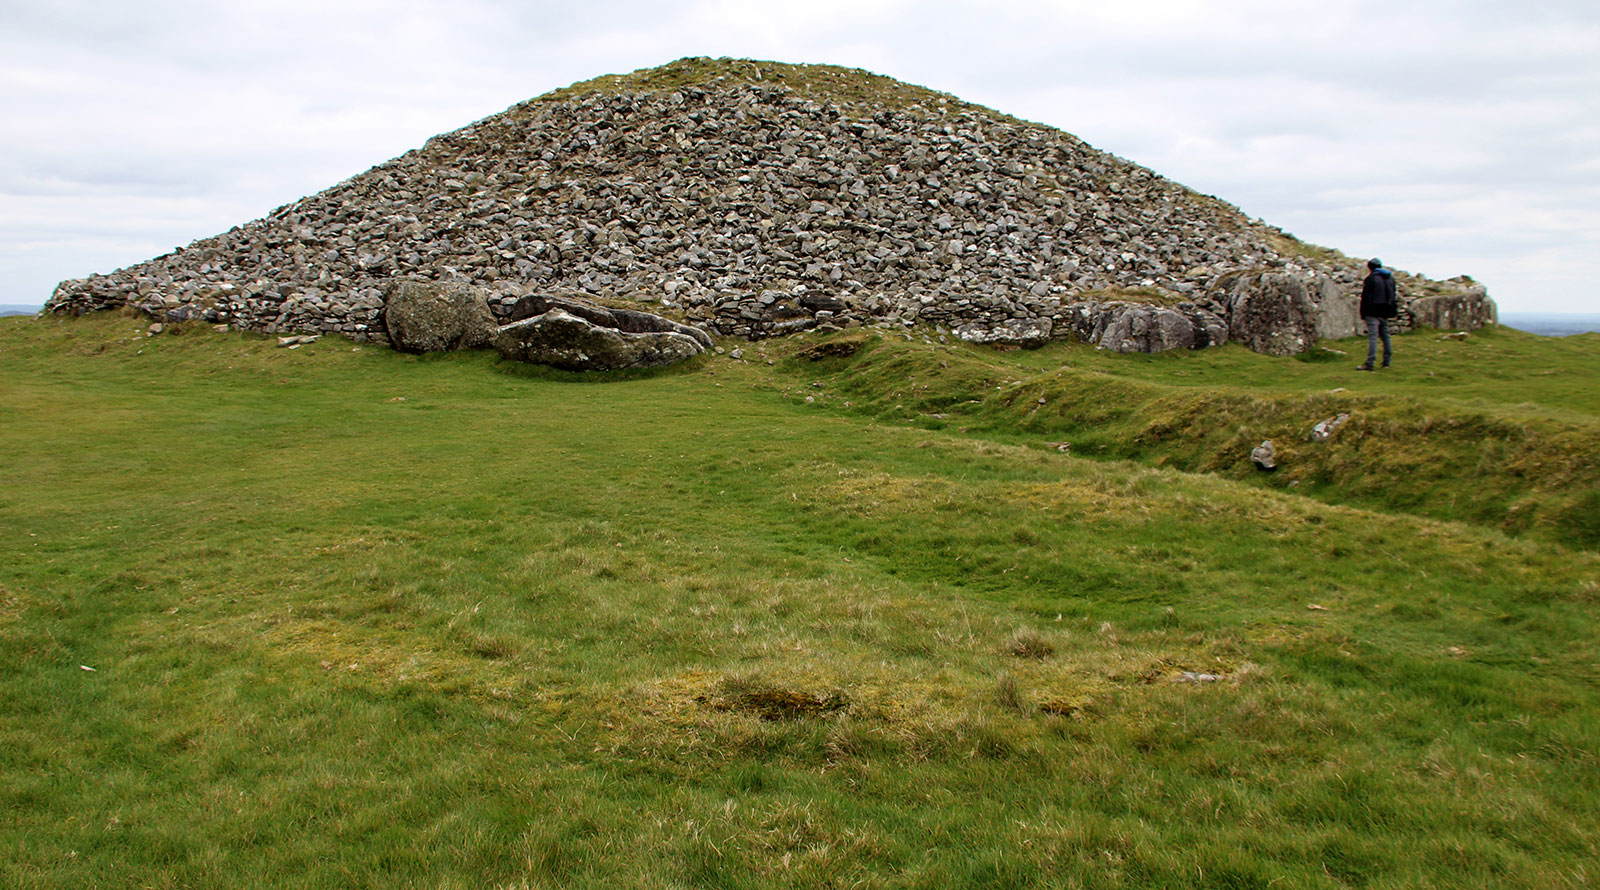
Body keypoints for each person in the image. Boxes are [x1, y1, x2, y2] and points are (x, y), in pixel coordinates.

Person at [1357, 258, 1397, 370]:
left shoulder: (1371, 279)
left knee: (1373, 337)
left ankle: (1370, 363)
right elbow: (1393, 296)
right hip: (1385, 311)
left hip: (1372, 311)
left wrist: (1363, 312)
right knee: (1386, 337)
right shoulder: (1390, 279)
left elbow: (1365, 297)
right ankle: (1386, 362)